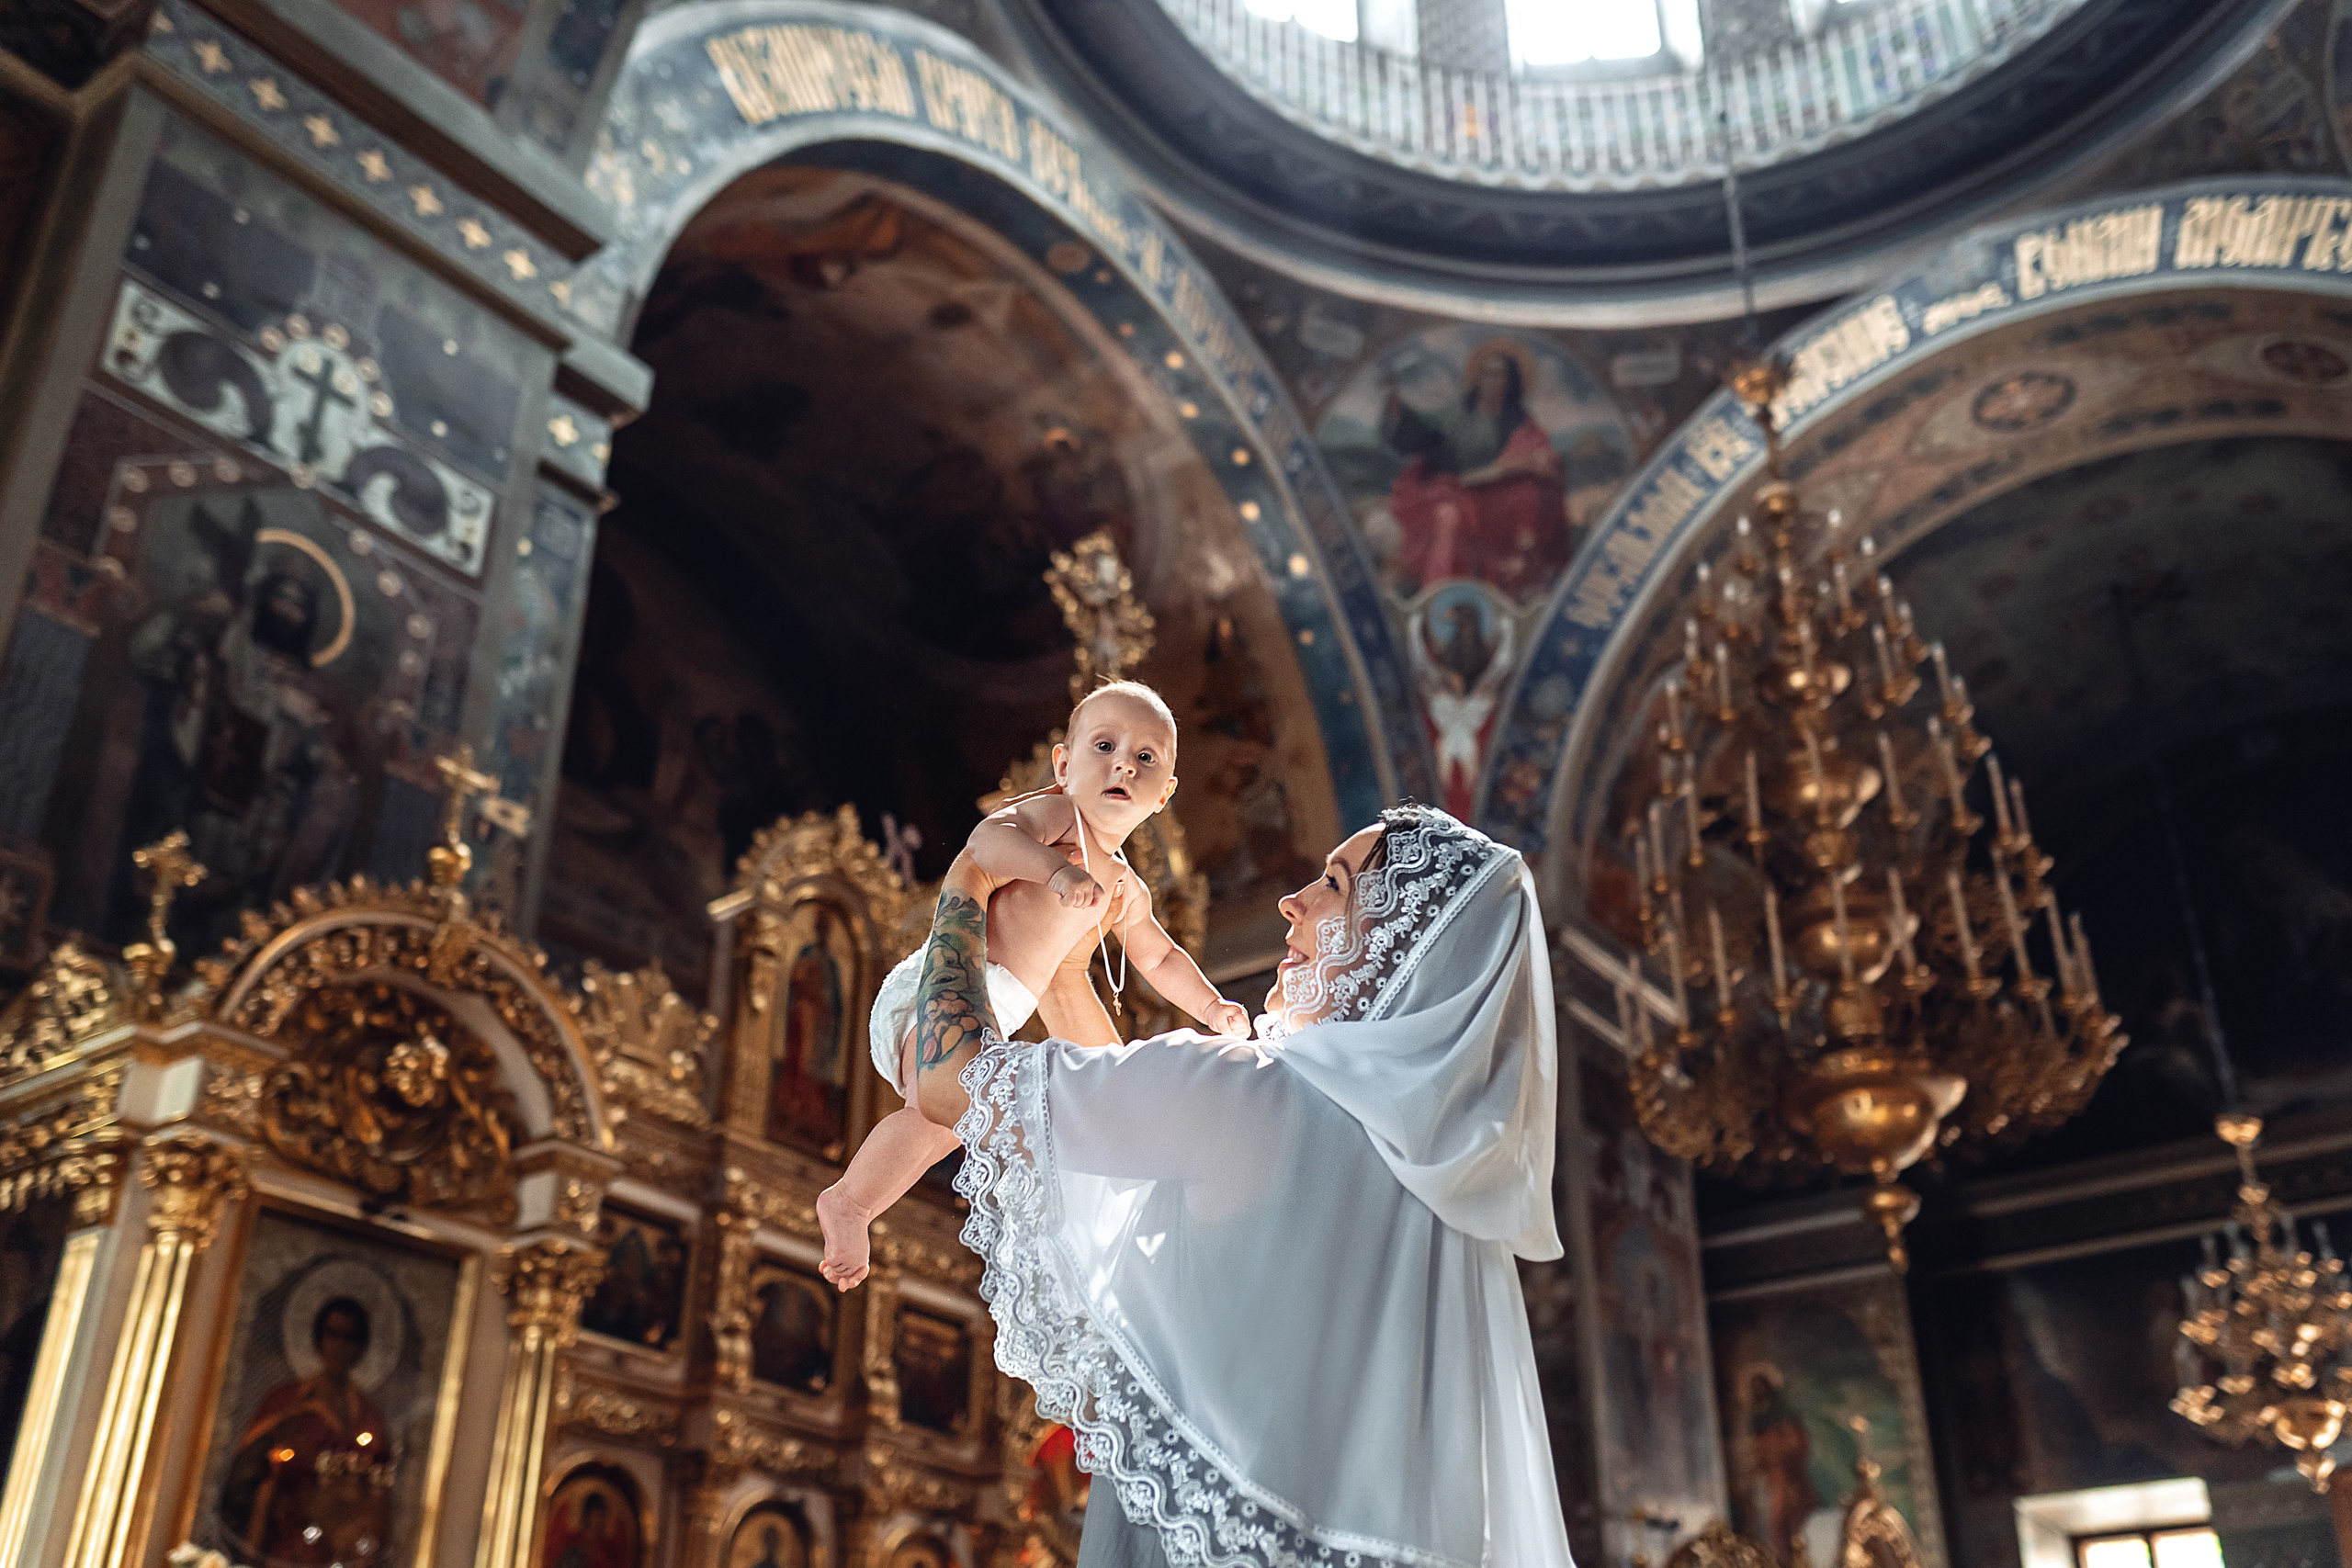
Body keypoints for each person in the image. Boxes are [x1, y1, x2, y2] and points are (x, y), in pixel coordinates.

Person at [907, 804, 1574, 1568]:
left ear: (1402, 945)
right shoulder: (1438, 1189)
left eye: (1335, 883)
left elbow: (949, 1081)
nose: (1293, 900)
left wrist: (967, 880)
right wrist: (1064, 976)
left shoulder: (1252, 1092)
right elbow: (1160, 1151)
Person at [814, 681, 1252, 1290]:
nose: (1125, 761)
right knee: (941, 1107)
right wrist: (1055, 868)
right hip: (945, 979)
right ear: (1064, 765)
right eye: (1105, 745)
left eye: (1146, 757)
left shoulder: (1127, 887)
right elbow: (986, 841)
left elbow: (1159, 957)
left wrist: (1211, 1005)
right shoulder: (1057, 817)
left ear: (1164, 796)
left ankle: (863, 1200)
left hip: (998, 1010)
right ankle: (851, 1202)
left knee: (954, 1122)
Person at [1381, 343, 1571, 602]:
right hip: (1454, 494)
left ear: (1511, 380)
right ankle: (1440, 601)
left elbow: (1543, 459)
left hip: (1497, 508)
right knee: (1449, 516)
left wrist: (1536, 464)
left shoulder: (1520, 424)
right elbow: (1423, 438)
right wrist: (1394, 404)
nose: (1492, 380)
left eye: (1499, 374)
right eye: (1486, 373)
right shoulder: (1457, 418)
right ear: (1477, 378)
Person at [217, 1296, 395, 1566]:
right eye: (333, 1335)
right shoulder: (286, 1403)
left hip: (343, 1549)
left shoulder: (370, 1418)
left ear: (361, 1347)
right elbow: (243, 1478)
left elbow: (379, 1495)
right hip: (284, 1543)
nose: (340, 1347)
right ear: (318, 1339)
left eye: (350, 1338)